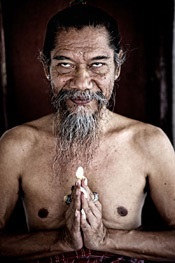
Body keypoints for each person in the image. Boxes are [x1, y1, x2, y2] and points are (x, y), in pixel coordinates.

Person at [0, 4, 175, 263]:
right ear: (46, 68)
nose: (81, 82)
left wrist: (106, 239)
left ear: (117, 68)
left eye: (97, 65)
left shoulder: (149, 142)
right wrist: (60, 241)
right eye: (65, 64)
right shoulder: (17, 144)